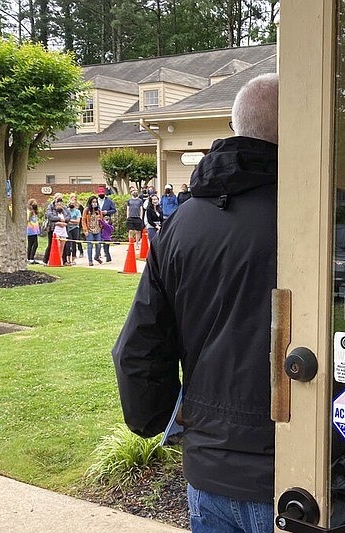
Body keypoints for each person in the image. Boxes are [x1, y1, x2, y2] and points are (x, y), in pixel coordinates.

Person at [113, 73, 279, 533]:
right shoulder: (315, 214)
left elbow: (139, 348)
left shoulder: (181, 222)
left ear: (236, 125)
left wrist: (152, 419)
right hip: (289, 474)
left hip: (208, 469)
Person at [42, 192, 64, 264]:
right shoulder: (50, 206)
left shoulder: (63, 207)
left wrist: (64, 220)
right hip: (52, 227)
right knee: (51, 244)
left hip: (62, 228)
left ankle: (63, 260)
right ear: (55, 199)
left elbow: (67, 215)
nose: (60, 200)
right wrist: (59, 219)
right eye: (58, 198)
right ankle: (45, 260)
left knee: (63, 244)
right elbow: (50, 216)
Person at [82, 195, 103, 266]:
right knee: (90, 246)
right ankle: (90, 261)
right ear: (90, 202)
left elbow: (101, 220)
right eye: (93, 202)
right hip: (89, 230)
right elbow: (83, 220)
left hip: (97, 230)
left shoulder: (99, 211)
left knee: (99, 245)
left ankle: (96, 257)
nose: (95, 203)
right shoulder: (86, 210)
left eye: (96, 202)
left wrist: (101, 226)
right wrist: (85, 230)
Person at [51, 199, 70, 266]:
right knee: (58, 246)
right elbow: (52, 220)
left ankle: (60, 261)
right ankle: (56, 260)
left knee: (62, 246)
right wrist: (58, 222)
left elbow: (67, 219)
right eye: (58, 205)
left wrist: (65, 223)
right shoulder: (54, 213)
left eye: (61, 205)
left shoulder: (64, 213)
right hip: (57, 230)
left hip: (63, 231)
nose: (59, 207)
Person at [65, 200, 82, 265]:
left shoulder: (77, 211)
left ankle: (73, 259)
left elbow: (78, 221)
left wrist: (70, 220)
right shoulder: (67, 211)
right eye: (70, 203)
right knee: (68, 244)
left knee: (74, 243)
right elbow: (65, 220)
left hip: (75, 228)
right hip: (68, 229)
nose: (71, 204)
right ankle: (68, 259)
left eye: (73, 203)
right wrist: (71, 221)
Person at [26, 199, 41, 264]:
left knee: (33, 244)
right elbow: (27, 220)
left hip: (35, 230)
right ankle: (30, 258)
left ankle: (30, 258)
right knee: (33, 244)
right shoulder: (29, 212)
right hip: (31, 230)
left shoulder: (35, 212)